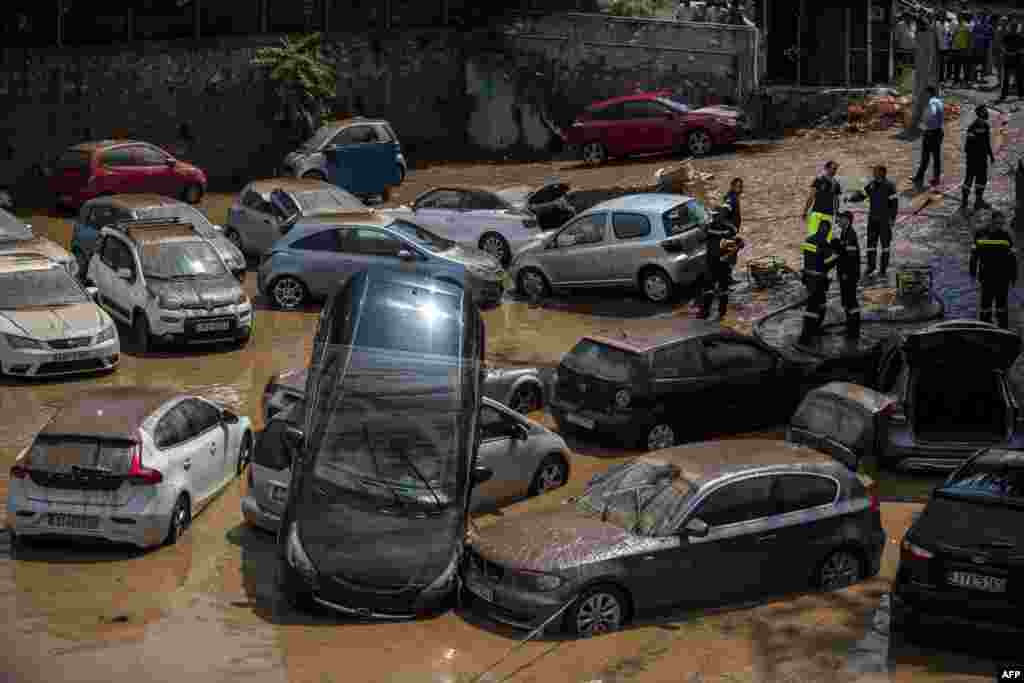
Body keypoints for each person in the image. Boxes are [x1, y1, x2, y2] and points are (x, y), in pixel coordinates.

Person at [970, 211, 1017, 329]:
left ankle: (1003, 329)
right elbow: (974, 255)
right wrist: (972, 272)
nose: (999, 226)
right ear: (991, 221)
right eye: (997, 223)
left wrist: (1013, 276)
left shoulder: (1006, 236)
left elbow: (1012, 259)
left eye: (1001, 224)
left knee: (1001, 306)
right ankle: (984, 328)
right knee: (985, 305)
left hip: (1003, 277)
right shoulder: (980, 234)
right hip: (986, 276)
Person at [852, 164, 899, 278]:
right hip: (872, 219)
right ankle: (871, 266)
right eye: (874, 171)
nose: (873, 173)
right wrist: (852, 198)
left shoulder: (890, 186)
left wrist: (892, 218)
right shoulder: (872, 184)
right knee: (871, 244)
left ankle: (883, 268)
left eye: (876, 171)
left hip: (884, 221)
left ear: (882, 173)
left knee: (885, 246)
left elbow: (894, 204)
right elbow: (862, 195)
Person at [699, 197, 743, 320]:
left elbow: (740, 242)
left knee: (723, 289)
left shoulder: (729, 228)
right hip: (711, 263)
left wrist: (733, 251)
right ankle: (705, 312)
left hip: (723, 263)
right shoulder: (709, 227)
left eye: (716, 215)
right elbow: (703, 235)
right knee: (708, 289)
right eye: (713, 215)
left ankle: (721, 313)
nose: (714, 217)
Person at [798, 219, 839, 345]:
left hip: (809, 278)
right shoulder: (824, 244)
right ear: (827, 231)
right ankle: (806, 336)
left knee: (820, 305)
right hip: (818, 280)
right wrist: (837, 255)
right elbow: (827, 264)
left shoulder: (808, 240)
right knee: (814, 308)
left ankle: (813, 330)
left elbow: (808, 259)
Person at [831, 211, 862, 340]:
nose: (838, 221)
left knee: (851, 301)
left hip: (849, 274)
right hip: (845, 273)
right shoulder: (844, 233)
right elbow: (843, 253)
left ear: (847, 220)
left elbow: (850, 257)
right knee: (847, 301)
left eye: (841, 219)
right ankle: (850, 326)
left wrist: (845, 274)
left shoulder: (850, 234)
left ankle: (854, 330)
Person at [962, 104, 996, 213]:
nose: (987, 112)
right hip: (973, 159)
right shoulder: (972, 127)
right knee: (969, 179)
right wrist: (972, 157)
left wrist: (991, 155)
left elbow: (987, 142)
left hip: (982, 158)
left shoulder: (986, 126)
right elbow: (967, 146)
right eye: (985, 111)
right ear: (980, 113)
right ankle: (964, 201)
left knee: (981, 179)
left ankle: (978, 200)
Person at [911, 85, 943, 191]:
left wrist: (923, 124)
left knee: (926, 157)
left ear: (929, 93)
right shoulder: (939, 101)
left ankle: (920, 178)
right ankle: (934, 178)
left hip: (931, 133)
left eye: (925, 93)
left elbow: (932, 113)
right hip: (937, 132)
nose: (924, 95)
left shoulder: (932, 102)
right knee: (935, 156)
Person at [803, 160, 841, 243]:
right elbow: (811, 196)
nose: (835, 171)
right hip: (817, 213)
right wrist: (805, 211)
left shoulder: (836, 184)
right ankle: (810, 255)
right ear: (826, 168)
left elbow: (836, 200)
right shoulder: (819, 180)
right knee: (812, 238)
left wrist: (837, 214)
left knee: (826, 241)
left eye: (836, 169)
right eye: (833, 168)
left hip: (829, 215)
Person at [952, 13, 972, 86]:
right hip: (956, 48)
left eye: (959, 17)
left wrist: (969, 48)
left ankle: (966, 80)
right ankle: (956, 80)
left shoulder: (967, 26)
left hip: (964, 48)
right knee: (957, 66)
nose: (958, 18)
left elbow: (970, 37)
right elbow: (954, 36)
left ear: (962, 18)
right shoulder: (956, 25)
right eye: (958, 17)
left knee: (965, 66)